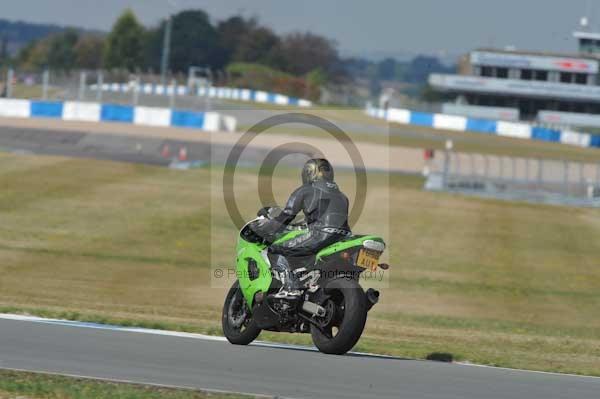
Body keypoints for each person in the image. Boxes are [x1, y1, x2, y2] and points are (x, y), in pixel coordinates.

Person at [252, 158, 351, 298]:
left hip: (321, 234)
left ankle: (290, 288)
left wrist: (267, 230)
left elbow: (286, 216)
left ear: (309, 173)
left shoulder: (305, 190)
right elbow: (324, 217)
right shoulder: (343, 197)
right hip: (344, 237)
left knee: (274, 251)